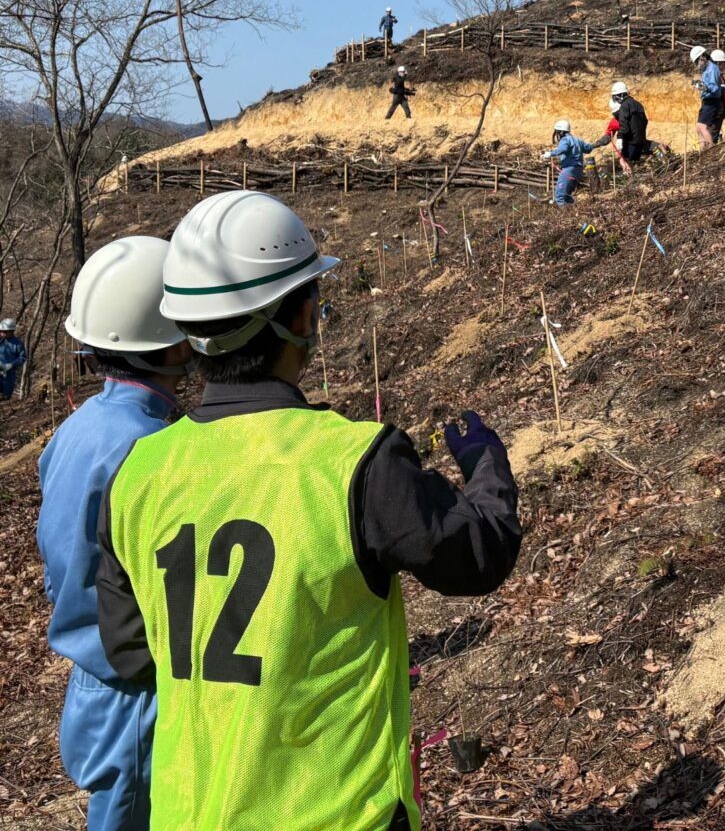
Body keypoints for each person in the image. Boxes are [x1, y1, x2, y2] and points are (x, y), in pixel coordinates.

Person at [96, 191, 522, 830]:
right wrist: (487, 464)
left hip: (189, 813)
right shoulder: (355, 463)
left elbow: (131, 652)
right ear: (301, 315)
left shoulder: (138, 474)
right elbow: (478, 555)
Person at [38, 238, 190, 831]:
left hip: (92, 680)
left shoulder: (75, 429)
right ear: (173, 341)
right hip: (135, 685)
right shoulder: (150, 446)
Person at [543, 119, 601, 205]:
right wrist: (601, 142)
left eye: (557, 132)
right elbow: (588, 148)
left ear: (561, 132)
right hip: (578, 172)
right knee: (567, 197)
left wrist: (551, 154)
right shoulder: (578, 140)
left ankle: (563, 213)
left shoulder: (565, 140)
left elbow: (563, 149)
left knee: (559, 197)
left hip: (569, 170)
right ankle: (574, 210)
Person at [608, 81, 654, 174]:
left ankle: (631, 179)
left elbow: (624, 126)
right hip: (641, 141)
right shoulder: (638, 104)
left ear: (621, 95)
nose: (615, 100)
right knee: (631, 162)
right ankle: (634, 177)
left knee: (623, 160)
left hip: (631, 142)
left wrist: (620, 138)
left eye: (615, 97)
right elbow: (645, 121)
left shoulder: (624, 106)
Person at [692, 45, 723, 149]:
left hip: (712, 101)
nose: (697, 64)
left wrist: (703, 87)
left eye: (697, 61)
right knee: (698, 128)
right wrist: (699, 85)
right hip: (706, 101)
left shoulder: (712, 69)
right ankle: (702, 151)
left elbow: (714, 88)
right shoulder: (706, 70)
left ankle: (711, 149)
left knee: (702, 127)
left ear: (702, 57)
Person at [0, 316, 25, 400]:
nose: (2, 333)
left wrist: (11, 365)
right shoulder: (1, 341)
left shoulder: (18, 344)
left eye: (4, 331)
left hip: (9, 375)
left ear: (11, 331)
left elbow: (22, 357)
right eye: (1, 331)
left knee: (6, 397)